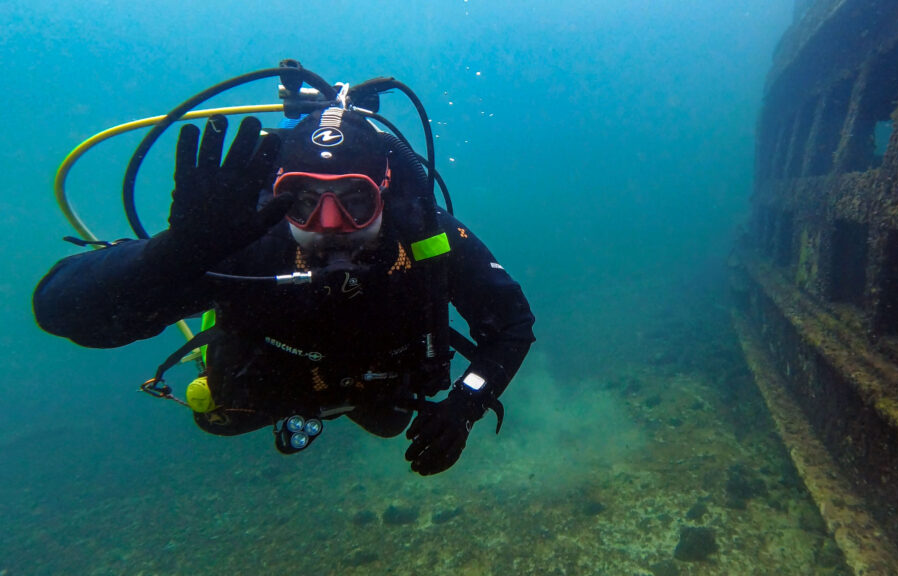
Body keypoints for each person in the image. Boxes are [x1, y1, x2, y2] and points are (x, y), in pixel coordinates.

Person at [33, 107, 535, 475]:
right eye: (302, 201)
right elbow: (57, 310)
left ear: (384, 188)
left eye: (355, 199)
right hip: (267, 385)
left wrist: (465, 404)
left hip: (379, 389)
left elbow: (512, 323)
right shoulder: (242, 243)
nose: (331, 225)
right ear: (277, 192)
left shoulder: (427, 236)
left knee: (388, 423)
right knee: (219, 416)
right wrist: (170, 256)